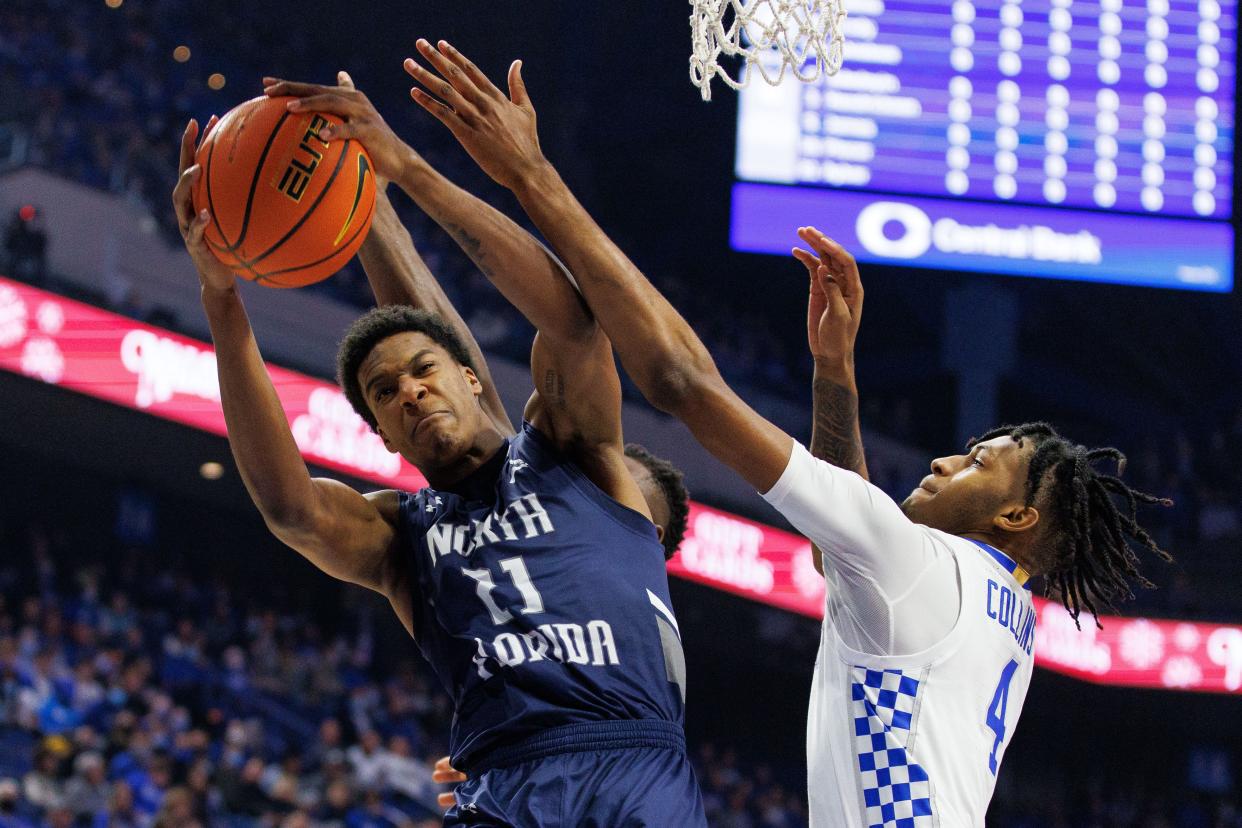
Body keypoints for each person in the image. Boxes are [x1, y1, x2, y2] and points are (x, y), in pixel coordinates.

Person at [366, 40, 1174, 826]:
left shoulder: (917, 562)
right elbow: (839, 550)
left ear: (1017, 517)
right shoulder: (1006, 614)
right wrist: (835, 376)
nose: (944, 459)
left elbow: (683, 383)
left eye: (977, 463)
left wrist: (530, 176)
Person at [172, 77, 705, 824]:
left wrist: (403, 173)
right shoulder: (402, 536)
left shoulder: (572, 455)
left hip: (630, 771)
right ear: (380, 436)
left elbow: (574, 324)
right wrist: (222, 300)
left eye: (425, 373)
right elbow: (291, 509)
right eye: (385, 394)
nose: (411, 393)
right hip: (501, 786)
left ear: (467, 373)